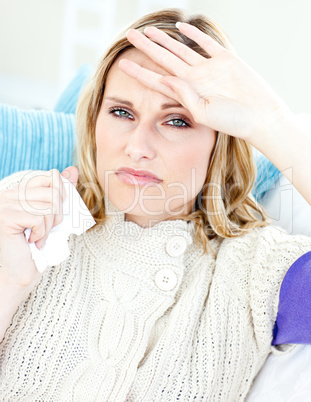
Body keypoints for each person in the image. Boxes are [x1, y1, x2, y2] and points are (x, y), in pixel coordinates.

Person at [0, 7, 310, 401]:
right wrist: (8, 282)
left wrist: (270, 121)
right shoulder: (24, 214)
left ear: (220, 140)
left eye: (176, 120)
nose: (137, 147)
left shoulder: (256, 272)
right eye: (121, 112)